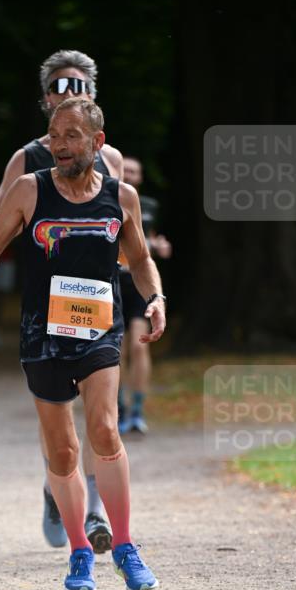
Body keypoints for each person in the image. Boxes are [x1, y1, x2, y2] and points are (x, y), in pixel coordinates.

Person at [0, 99, 166, 590]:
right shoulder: (32, 189)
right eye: (53, 135)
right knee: (63, 448)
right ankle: (78, 552)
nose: (60, 145)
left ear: (98, 142)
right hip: (42, 333)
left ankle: (124, 547)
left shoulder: (123, 197)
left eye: (72, 135)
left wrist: (155, 297)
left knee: (103, 428)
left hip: (100, 327)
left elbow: (138, 259)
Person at [0, 49, 123, 555]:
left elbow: (124, 227)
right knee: (59, 418)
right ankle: (56, 486)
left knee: (100, 414)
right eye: (60, 87)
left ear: (92, 94)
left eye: (79, 86)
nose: (70, 94)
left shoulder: (109, 158)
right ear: (46, 98)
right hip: (47, 305)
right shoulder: (26, 160)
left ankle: (93, 511)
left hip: (97, 302)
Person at [117, 156, 172, 435]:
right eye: (124, 169)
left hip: (138, 285)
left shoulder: (148, 205)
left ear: (140, 177)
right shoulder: (106, 199)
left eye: (134, 171)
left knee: (139, 346)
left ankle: (137, 408)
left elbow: (147, 238)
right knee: (120, 350)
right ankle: (120, 408)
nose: (128, 174)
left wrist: (160, 246)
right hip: (114, 282)